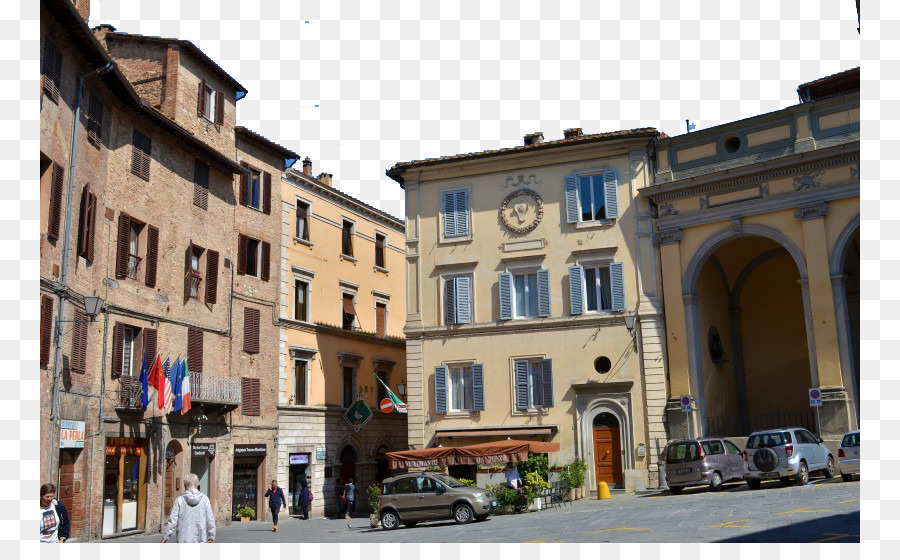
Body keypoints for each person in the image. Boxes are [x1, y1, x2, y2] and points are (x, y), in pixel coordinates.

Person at [161, 473, 215, 543]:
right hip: (200, 537)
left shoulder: (179, 500)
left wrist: (165, 537)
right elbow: (210, 519)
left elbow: (173, 520)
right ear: (197, 484)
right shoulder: (204, 499)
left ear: (184, 485)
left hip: (183, 537)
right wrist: (211, 536)